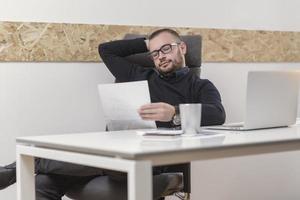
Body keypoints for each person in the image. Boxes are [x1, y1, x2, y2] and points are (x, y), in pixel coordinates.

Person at [0, 28, 225, 199]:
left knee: (54, 166)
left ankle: (17, 168)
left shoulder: (200, 86)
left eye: (166, 48)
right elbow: (106, 50)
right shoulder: (139, 74)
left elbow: (217, 114)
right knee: (43, 183)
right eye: (155, 53)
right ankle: (26, 167)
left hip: (150, 161)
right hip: (113, 151)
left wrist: (174, 113)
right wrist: (147, 42)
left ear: (182, 47)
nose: (160, 56)